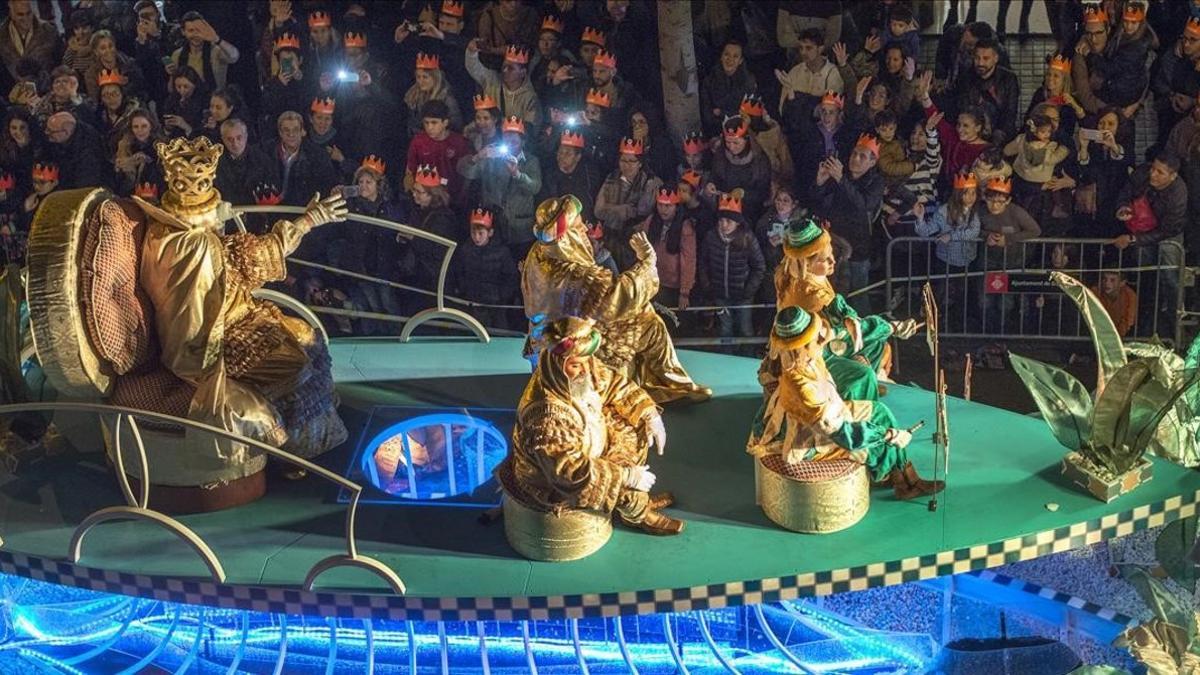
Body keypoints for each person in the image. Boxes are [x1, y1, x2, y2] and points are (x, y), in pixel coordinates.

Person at [136, 135, 347, 462]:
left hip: (232, 317)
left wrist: (306, 223)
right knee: (297, 360)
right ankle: (298, 454)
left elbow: (239, 260)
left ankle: (313, 441)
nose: (219, 217)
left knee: (306, 334)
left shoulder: (172, 234)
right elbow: (194, 319)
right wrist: (307, 222)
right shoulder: (194, 247)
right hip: (213, 340)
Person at [499, 315, 682, 536]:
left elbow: (614, 383)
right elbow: (569, 473)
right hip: (553, 482)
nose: (586, 370)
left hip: (587, 443)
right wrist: (626, 476)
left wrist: (648, 413)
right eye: (576, 365)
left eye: (588, 361)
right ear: (557, 364)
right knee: (616, 481)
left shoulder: (583, 369)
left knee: (632, 423)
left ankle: (633, 498)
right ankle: (637, 512)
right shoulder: (546, 415)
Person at [521, 194, 711, 403]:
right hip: (568, 345)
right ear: (566, 238)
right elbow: (619, 296)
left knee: (641, 313)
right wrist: (647, 262)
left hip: (543, 339)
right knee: (649, 323)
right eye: (578, 226)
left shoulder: (540, 252)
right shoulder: (573, 274)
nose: (585, 229)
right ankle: (667, 386)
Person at [747, 306, 942, 501]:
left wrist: (891, 327)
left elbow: (839, 331)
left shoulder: (797, 354)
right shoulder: (802, 389)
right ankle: (897, 480)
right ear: (804, 344)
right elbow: (844, 435)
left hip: (828, 413)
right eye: (816, 337)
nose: (822, 338)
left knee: (881, 412)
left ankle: (906, 477)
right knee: (876, 436)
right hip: (809, 438)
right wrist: (889, 434)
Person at [774, 218, 919, 400]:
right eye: (825, 260)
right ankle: (856, 403)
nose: (833, 260)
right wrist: (891, 327)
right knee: (864, 366)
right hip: (812, 354)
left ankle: (867, 387)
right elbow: (836, 333)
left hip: (823, 340)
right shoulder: (812, 296)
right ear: (807, 263)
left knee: (876, 346)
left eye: (831, 254)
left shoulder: (800, 275)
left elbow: (841, 313)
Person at [1113, 153, 1187, 337]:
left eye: (1160, 172)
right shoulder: (1142, 173)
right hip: (1142, 229)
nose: (1153, 174)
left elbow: (1168, 229)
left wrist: (1133, 239)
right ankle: (1143, 316)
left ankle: (1175, 322)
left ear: (1172, 176)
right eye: (1153, 168)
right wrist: (1123, 207)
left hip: (1168, 234)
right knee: (1143, 273)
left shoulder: (1178, 193)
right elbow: (1126, 191)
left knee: (1170, 277)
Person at [814, 133, 883, 308]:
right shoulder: (840, 176)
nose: (856, 159)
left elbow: (864, 205)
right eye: (854, 154)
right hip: (834, 247)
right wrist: (820, 183)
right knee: (833, 297)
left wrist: (841, 180)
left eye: (862, 156)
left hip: (858, 249)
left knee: (859, 297)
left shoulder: (876, 182)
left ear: (872, 162)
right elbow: (820, 203)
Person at [336, 155, 403, 335]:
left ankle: (397, 335)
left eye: (369, 182)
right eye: (361, 181)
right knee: (371, 305)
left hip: (384, 266)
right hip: (362, 266)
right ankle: (376, 337)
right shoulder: (351, 207)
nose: (364, 186)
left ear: (378, 185)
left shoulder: (388, 206)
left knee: (387, 302)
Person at [457, 115, 542, 254]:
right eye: (506, 137)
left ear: (523, 141)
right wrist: (478, 156)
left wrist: (517, 174)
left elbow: (535, 187)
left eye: (514, 139)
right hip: (494, 225)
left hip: (520, 229)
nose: (510, 142)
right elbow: (464, 171)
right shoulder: (491, 157)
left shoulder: (531, 161)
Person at [697, 192, 765, 353]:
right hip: (720, 294)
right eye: (721, 220)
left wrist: (749, 290)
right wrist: (708, 286)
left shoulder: (748, 238)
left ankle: (748, 359)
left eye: (729, 221)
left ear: (738, 223)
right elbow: (703, 263)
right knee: (725, 331)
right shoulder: (711, 237)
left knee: (745, 329)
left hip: (743, 296)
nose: (724, 224)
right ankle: (726, 360)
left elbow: (759, 266)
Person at [915, 172, 983, 331]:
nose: (971, 197)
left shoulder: (974, 213)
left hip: (966, 260)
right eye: (967, 193)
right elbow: (927, 231)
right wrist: (920, 218)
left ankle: (957, 324)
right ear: (958, 194)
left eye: (973, 193)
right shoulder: (943, 211)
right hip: (945, 260)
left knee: (961, 294)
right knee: (939, 291)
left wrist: (951, 236)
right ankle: (931, 321)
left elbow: (974, 232)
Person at [978, 177, 1041, 334]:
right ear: (985, 198)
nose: (995, 205)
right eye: (991, 200)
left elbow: (1035, 230)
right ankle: (987, 331)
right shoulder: (980, 211)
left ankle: (1003, 332)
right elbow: (970, 228)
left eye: (1000, 201)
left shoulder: (1016, 212)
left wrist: (1009, 239)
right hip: (988, 261)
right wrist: (986, 236)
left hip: (1012, 262)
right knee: (985, 300)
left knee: (1006, 301)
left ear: (1008, 200)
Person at [594, 137, 660, 269]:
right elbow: (598, 211)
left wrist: (611, 209)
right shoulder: (611, 178)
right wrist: (621, 209)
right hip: (609, 239)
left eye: (632, 161)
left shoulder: (651, 183)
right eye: (623, 160)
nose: (627, 165)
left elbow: (642, 212)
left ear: (640, 163)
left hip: (633, 242)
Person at [451, 207, 518, 332]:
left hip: (496, 306)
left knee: (499, 335)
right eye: (473, 233)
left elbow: (510, 277)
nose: (476, 237)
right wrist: (463, 289)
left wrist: (501, 296)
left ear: (490, 233)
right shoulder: (465, 250)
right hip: (472, 304)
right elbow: (459, 272)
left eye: (481, 233)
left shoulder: (502, 252)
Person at [262, 111, 339, 208]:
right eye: (286, 130)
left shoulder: (318, 155)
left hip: (304, 212)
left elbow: (326, 185)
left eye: (295, 130)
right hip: (271, 210)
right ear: (280, 132)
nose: (291, 134)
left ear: (302, 131)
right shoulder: (265, 152)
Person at [639, 187, 696, 313]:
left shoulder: (685, 227)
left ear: (676, 206)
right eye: (660, 205)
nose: (663, 210)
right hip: (653, 281)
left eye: (668, 206)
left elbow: (688, 261)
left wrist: (684, 292)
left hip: (674, 286)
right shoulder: (651, 220)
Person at [954, 37, 1021, 144]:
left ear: (996, 58)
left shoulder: (1008, 79)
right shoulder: (965, 77)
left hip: (1001, 136)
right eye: (977, 58)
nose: (980, 63)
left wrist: (998, 138)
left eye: (986, 58)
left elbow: (1010, 114)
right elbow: (962, 109)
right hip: (971, 135)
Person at [707, 116, 772, 225]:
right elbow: (714, 175)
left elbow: (764, 193)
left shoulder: (760, 160)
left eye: (736, 143)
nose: (731, 147)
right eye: (728, 142)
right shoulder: (721, 153)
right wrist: (710, 183)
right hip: (724, 208)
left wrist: (744, 194)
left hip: (749, 212)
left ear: (746, 139)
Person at [405, 99, 472, 200]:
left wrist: (462, 196)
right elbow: (410, 170)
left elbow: (467, 174)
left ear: (445, 122)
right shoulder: (418, 141)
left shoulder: (459, 143)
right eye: (426, 123)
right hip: (424, 197)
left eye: (434, 123)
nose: (429, 127)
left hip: (452, 196)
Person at [466, 42, 542, 128]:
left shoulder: (530, 98)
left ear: (523, 73)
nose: (505, 70)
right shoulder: (492, 80)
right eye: (504, 66)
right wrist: (471, 53)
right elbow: (475, 69)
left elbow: (531, 127)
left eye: (511, 68)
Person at [539, 129, 602, 220]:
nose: (562, 156)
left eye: (568, 153)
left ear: (578, 157)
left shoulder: (589, 175)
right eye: (560, 152)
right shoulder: (549, 175)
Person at [170, 11, 240, 91]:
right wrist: (173, 74)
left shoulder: (216, 51)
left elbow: (234, 56)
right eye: (191, 31)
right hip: (189, 101)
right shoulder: (177, 55)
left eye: (199, 30)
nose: (196, 34)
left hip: (214, 100)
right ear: (183, 32)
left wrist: (217, 39)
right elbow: (172, 89)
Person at [700, 39, 757, 136]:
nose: (730, 59)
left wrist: (721, 113)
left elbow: (749, 113)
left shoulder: (749, 81)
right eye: (726, 54)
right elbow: (707, 114)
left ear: (740, 61)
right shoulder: (709, 81)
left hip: (741, 133)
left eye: (735, 56)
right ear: (721, 57)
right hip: (716, 132)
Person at [44, 112, 110, 190]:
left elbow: (85, 185)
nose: (46, 132)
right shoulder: (59, 140)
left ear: (66, 132)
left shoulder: (88, 151)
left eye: (51, 131)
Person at [214, 118, 271, 209]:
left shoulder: (262, 160)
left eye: (239, 138)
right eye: (230, 139)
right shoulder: (215, 163)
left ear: (246, 136)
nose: (235, 144)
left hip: (255, 215)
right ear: (223, 139)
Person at [403, 52, 463, 137]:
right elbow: (411, 124)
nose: (420, 81)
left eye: (425, 77)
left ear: (435, 78)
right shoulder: (413, 96)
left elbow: (456, 126)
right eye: (418, 77)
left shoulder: (447, 99)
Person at [0, 0, 61, 82]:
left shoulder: (49, 31)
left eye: (28, 13)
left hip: (46, 89)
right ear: (11, 14)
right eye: (20, 14)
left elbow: (59, 63)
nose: (26, 18)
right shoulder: (2, 35)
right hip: (11, 91)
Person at [113, 110, 164, 196]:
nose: (140, 130)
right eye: (136, 127)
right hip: (129, 191)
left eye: (144, 126)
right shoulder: (124, 145)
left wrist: (147, 161)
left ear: (151, 126)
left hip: (155, 190)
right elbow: (118, 173)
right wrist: (127, 163)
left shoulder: (161, 146)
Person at [1091, 266, 1138, 337]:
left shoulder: (1130, 296)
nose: (1107, 283)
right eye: (1104, 279)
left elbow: (1128, 322)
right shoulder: (1095, 292)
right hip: (1099, 334)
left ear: (1122, 283)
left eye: (1112, 280)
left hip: (1122, 336)